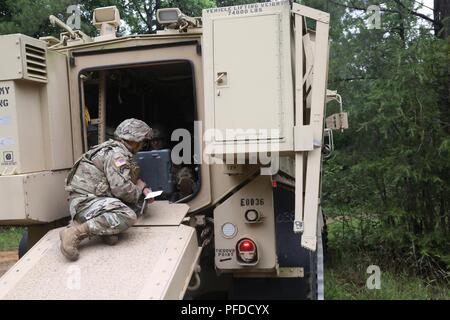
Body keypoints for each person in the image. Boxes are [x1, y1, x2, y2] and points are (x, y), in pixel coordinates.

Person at [60, 118, 153, 261]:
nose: (142, 146)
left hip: (90, 201)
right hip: (85, 204)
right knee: (127, 215)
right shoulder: (117, 154)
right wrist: (140, 193)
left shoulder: (114, 150)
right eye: (142, 141)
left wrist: (142, 188)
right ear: (135, 139)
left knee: (133, 208)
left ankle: (104, 231)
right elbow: (121, 189)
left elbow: (124, 180)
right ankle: (74, 232)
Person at [148, 124, 196, 200]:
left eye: (158, 140)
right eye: (153, 140)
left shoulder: (173, 153)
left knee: (185, 172)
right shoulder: (144, 155)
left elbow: (176, 171)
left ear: (164, 140)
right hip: (149, 187)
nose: (155, 143)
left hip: (169, 184)